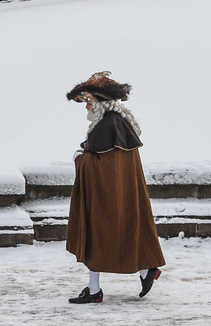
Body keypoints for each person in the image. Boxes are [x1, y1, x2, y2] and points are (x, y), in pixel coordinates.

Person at [64, 71, 166, 304]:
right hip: (118, 194)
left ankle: (95, 290)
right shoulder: (116, 122)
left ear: (102, 103)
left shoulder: (108, 124)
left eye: (89, 103)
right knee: (117, 233)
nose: (87, 108)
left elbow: (104, 166)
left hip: (106, 197)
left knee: (98, 235)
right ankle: (143, 272)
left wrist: (79, 159)